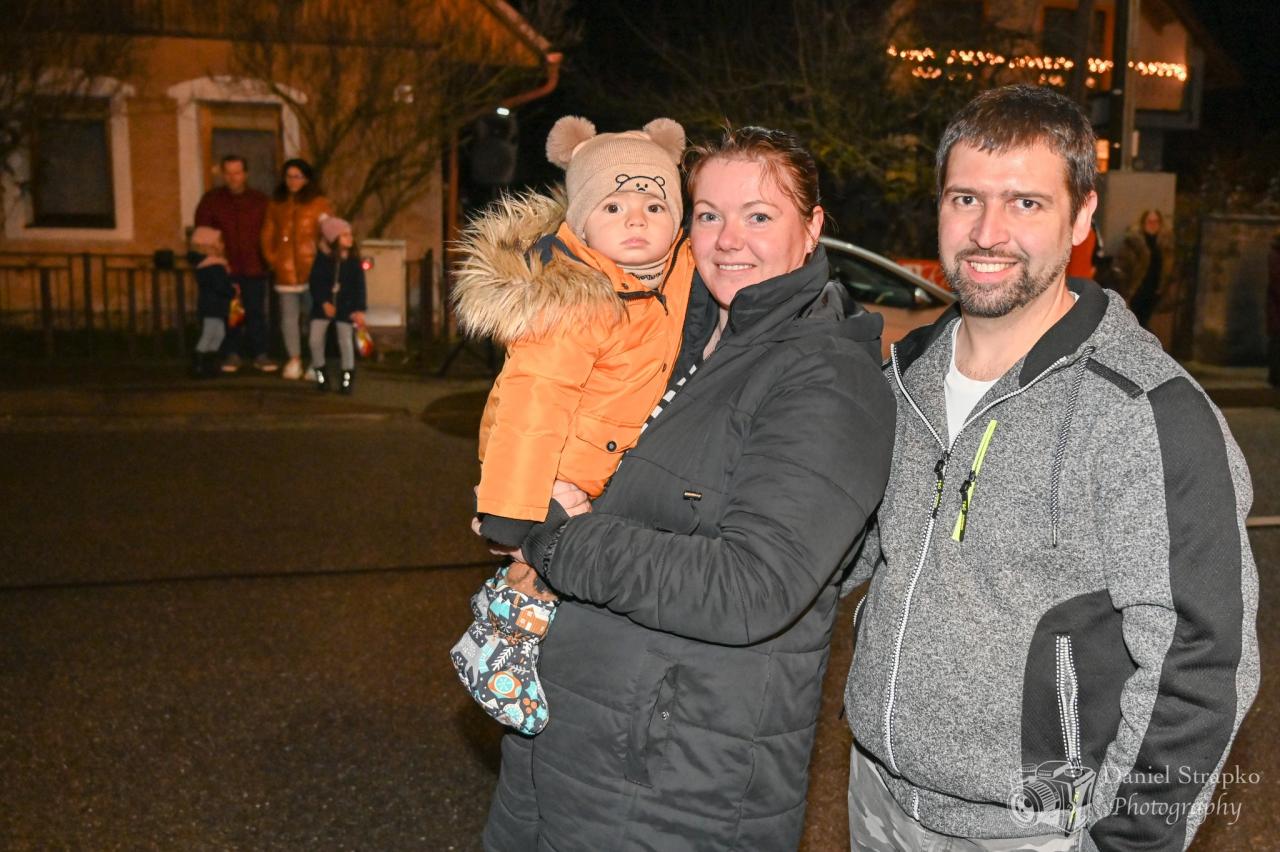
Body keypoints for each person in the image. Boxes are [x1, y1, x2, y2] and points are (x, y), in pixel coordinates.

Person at [842, 85, 1258, 851]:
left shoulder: (1145, 411)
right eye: (966, 198)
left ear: (1082, 216)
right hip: (877, 799)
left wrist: (1124, 842)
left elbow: (1201, 665)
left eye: (1026, 203)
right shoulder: (903, 378)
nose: (987, 232)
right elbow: (838, 556)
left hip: (1033, 829)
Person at [482, 126, 895, 851]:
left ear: (812, 229)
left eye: (759, 215)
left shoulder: (827, 380)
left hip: (674, 784)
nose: (729, 239)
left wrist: (555, 539)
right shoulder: (667, 333)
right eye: (708, 214)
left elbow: (751, 587)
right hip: (566, 739)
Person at [448, 116, 695, 735]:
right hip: (553, 466)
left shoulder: (674, 269)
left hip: (606, 461)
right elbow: (530, 406)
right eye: (613, 207)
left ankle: (505, 624)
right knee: (539, 570)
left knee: (564, 578)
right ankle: (497, 653)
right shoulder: (574, 300)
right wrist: (515, 506)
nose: (637, 220)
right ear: (580, 223)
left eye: (654, 205)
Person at [193, 154, 271, 372]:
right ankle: (232, 353)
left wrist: (268, 258)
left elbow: (269, 232)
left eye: (237, 172)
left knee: (255, 311)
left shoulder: (259, 201)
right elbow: (203, 234)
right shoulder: (212, 201)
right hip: (225, 268)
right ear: (222, 174)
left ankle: (260, 353)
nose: (233, 178)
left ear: (245, 174)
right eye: (228, 173)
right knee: (232, 313)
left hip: (254, 266)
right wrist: (215, 260)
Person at [262, 158, 334, 379]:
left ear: (307, 179)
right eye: (289, 176)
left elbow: (328, 231)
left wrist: (324, 259)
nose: (293, 181)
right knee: (289, 319)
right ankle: (294, 359)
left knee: (316, 318)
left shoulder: (319, 203)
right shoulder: (277, 204)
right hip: (285, 269)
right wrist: (273, 258)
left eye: (298, 177)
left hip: (312, 268)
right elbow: (267, 233)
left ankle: (316, 361)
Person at [307, 217, 366, 394]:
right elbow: (315, 282)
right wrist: (324, 301)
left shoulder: (353, 261)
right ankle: (321, 376)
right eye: (344, 235)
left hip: (346, 307)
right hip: (323, 307)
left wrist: (359, 309)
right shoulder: (322, 259)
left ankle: (347, 379)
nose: (350, 238)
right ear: (333, 239)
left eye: (350, 235)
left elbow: (360, 286)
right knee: (315, 340)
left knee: (345, 341)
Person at [1111, 208, 1174, 329]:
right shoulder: (1133, 243)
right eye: (1149, 221)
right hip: (1136, 292)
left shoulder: (1164, 246)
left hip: (1154, 294)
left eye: (1156, 222)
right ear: (1143, 223)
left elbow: (1167, 269)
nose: (1153, 225)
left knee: (1145, 324)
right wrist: (1125, 290)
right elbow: (1120, 266)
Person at [187, 226, 236, 378]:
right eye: (219, 242)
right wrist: (232, 290)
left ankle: (209, 363)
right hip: (213, 306)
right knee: (210, 333)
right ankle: (200, 363)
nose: (222, 245)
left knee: (218, 333)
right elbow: (220, 285)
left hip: (214, 305)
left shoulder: (211, 265)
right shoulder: (213, 266)